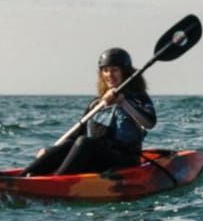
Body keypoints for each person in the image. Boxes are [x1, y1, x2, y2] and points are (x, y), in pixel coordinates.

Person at [21, 48, 157, 175]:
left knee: (85, 142)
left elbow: (149, 123)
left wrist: (123, 102)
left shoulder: (138, 98)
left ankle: (56, 181)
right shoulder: (96, 104)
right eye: (106, 70)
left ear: (125, 72)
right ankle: (24, 176)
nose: (110, 75)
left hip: (125, 160)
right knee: (71, 144)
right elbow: (77, 134)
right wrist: (50, 152)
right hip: (98, 159)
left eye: (114, 70)